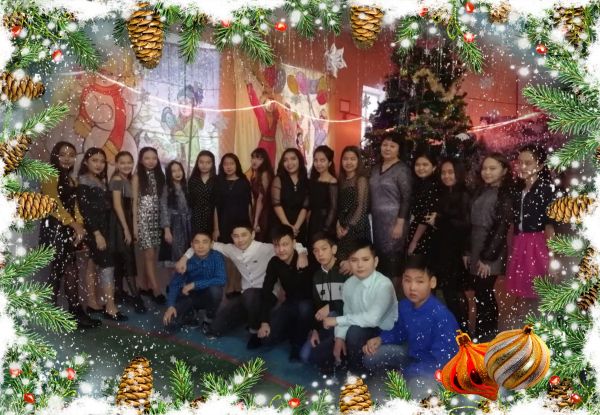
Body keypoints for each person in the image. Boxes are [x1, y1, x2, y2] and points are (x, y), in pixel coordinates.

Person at [175, 222, 308, 348]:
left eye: (244, 235)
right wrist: (184, 258)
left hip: (267, 295)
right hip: (246, 296)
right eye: (236, 236)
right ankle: (248, 317)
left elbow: (291, 244)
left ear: (253, 234)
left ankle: (254, 330)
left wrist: (302, 254)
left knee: (251, 297)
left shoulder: (266, 248)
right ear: (232, 237)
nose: (240, 240)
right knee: (215, 329)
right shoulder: (230, 249)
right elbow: (205, 244)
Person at [363, 255, 459, 399]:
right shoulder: (404, 306)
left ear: (432, 282)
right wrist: (381, 339)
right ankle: (396, 380)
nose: (412, 287)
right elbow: (399, 331)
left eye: (419, 281)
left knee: (418, 394)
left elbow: (443, 361)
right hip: (411, 356)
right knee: (370, 356)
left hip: (434, 369)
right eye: (407, 280)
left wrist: (407, 372)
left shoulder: (442, 316)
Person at [40, 141, 100, 328]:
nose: (67, 158)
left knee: (68, 270)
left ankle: (72, 313)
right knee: (60, 271)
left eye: (71, 155)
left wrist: (79, 225)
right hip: (54, 229)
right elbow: (53, 204)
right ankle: (63, 314)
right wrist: (74, 224)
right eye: (63, 154)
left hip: (66, 229)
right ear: (55, 156)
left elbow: (75, 206)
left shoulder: (69, 178)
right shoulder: (49, 174)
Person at [323, 240, 397, 374]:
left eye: (365, 259)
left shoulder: (384, 285)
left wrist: (337, 321)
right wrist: (340, 337)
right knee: (333, 328)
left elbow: (372, 319)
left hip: (383, 332)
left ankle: (358, 374)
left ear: (375, 261)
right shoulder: (349, 284)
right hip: (359, 325)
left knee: (353, 332)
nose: (360, 265)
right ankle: (343, 361)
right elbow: (347, 313)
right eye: (354, 260)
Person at [465, 153, 515, 341]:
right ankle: (482, 332)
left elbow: (501, 229)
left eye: (492, 168)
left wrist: (487, 258)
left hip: (491, 248)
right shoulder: (482, 190)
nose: (487, 172)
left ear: (504, 170)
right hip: (477, 244)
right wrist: (468, 250)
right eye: (485, 168)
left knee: (484, 291)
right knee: (480, 292)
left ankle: (488, 334)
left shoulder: (505, 194)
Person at [77, 148, 128, 321]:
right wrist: (97, 234)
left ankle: (92, 303)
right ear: (86, 162)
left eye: (102, 161)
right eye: (94, 160)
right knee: (107, 266)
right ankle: (110, 307)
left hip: (103, 229)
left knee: (92, 264)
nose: (99, 164)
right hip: (94, 230)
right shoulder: (83, 181)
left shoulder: (99, 180)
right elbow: (85, 210)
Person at [506, 144, 555, 316]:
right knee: (524, 288)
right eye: (519, 163)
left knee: (538, 289)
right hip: (521, 241)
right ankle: (528, 323)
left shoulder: (546, 189)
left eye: (528, 163)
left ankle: (540, 325)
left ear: (540, 166)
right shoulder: (518, 189)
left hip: (538, 242)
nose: (522, 167)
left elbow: (549, 224)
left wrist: (553, 256)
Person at [257, 225, 317, 361]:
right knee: (266, 340)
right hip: (289, 304)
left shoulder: (305, 259)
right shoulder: (274, 262)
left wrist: (315, 326)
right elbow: (266, 291)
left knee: (304, 308)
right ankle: (289, 330)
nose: (281, 249)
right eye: (277, 245)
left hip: (308, 305)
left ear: (294, 243)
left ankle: (298, 343)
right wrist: (264, 322)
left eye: (285, 244)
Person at [428, 159, 470, 332]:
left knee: (453, 292)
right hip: (442, 248)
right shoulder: (444, 193)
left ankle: (463, 330)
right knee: (446, 291)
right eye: (443, 172)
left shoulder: (464, 194)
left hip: (456, 250)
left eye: (450, 172)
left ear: (458, 173)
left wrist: (439, 220)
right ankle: (453, 329)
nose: (446, 176)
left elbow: (465, 224)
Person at [301, 232, 347, 374]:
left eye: (324, 249)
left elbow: (353, 303)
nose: (320, 254)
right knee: (305, 356)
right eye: (316, 251)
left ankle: (338, 353)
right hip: (326, 323)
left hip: (346, 320)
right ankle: (331, 351)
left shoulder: (345, 270)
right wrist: (315, 330)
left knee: (332, 314)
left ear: (334, 249)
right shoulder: (317, 276)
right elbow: (317, 307)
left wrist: (331, 306)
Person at [369, 133, 412, 282]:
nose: (387, 148)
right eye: (385, 145)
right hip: (377, 223)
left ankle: (394, 294)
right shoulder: (375, 168)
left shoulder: (402, 170)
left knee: (393, 263)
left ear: (399, 149)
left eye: (392, 146)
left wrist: (400, 224)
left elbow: (406, 199)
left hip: (394, 223)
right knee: (380, 260)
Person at [163, 232, 226, 332]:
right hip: (190, 296)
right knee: (169, 324)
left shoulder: (217, 257)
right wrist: (170, 306)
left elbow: (221, 279)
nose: (201, 246)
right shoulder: (185, 260)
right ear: (192, 245)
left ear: (211, 244)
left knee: (216, 290)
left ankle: (209, 318)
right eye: (197, 242)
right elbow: (175, 284)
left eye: (205, 242)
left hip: (208, 295)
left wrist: (195, 284)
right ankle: (191, 313)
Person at [108, 151, 146, 314]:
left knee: (122, 259)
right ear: (116, 164)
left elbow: (133, 206)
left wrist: (134, 228)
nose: (126, 165)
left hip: (126, 222)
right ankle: (135, 297)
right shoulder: (116, 180)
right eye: (122, 163)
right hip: (117, 223)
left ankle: (120, 292)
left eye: (129, 162)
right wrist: (125, 229)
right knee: (127, 259)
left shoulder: (129, 179)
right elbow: (117, 206)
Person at [132, 147, 166, 304]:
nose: (151, 161)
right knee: (149, 254)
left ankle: (144, 286)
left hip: (157, 220)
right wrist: (135, 226)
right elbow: (134, 203)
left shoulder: (160, 177)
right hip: (143, 220)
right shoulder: (137, 177)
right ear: (141, 160)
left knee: (152, 255)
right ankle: (156, 289)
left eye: (154, 158)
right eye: (147, 158)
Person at [336, 146, 371, 266]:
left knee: (356, 262)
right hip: (342, 225)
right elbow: (338, 206)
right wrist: (338, 225)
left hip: (357, 227)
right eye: (345, 159)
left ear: (358, 161)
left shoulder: (361, 180)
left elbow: (361, 207)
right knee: (342, 261)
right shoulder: (341, 179)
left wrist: (348, 227)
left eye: (352, 159)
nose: (348, 162)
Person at [272, 148, 310, 246]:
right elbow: (276, 204)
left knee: (300, 251)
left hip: (299, 226)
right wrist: (288, 226)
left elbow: (305, 207)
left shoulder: (306, 181)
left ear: (299, 160)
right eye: (285, 160)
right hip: (282, 223)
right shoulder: (278, 179)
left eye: (293, 159)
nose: (289, 163)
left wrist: (296, 227)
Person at [407, 151, 439, 258]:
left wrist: (415, 241)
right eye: (417, 165)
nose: (421, 168)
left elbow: (426, 218)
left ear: (434, 167)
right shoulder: (421, 184)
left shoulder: (432, 186)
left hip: (424, 235)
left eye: (425, 165)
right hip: (415, 230)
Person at [214, 153, 252, 243]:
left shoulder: (244, 182)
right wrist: (216, 229)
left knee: (241, 246)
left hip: (241, 222)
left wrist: (250, 226)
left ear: (236, 165)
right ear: (222, 166)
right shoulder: (218, 181)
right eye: (225, 164)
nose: (229, 167)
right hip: (224, 223)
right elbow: (215, 207)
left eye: (231, 163)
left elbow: (249, 205)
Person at [161, 160, 192, 265]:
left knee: (188, 256)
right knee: (175, 257)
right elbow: (163, 208)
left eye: (179, 170)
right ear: (169, 174)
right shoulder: (167, 188)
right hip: (174, 226)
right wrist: (167, 230)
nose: (177, 173)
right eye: (173, 171)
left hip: (187, 225)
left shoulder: (186, 186)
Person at [308, 145, 338, 237]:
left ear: (329, 163)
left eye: (322, 160)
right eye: (316, 160)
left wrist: (325, 228)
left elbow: (333, 208)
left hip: (325, 223)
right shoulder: (314, 179)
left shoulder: (332, 181)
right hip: (313, 221)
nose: (318, 164)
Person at [248, 147, 275, 242]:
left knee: (261, 239)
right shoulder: (255, 174)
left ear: (265, 161)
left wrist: (256, 220)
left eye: (259, 159)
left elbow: (261, 198)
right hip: (258, 209)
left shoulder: (264, 174)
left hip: (265, 211)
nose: (255, 161)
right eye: (253, 157)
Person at [188, 150, 217, 236]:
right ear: (197, 163)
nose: (204, 165)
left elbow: (218, 204)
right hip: (195, 219)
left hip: (212, 218)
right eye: (201, 162)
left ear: (212, 164)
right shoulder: (192, 180)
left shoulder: (217, 180)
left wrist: (216, 228)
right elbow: (190, 202)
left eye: (208, 162)